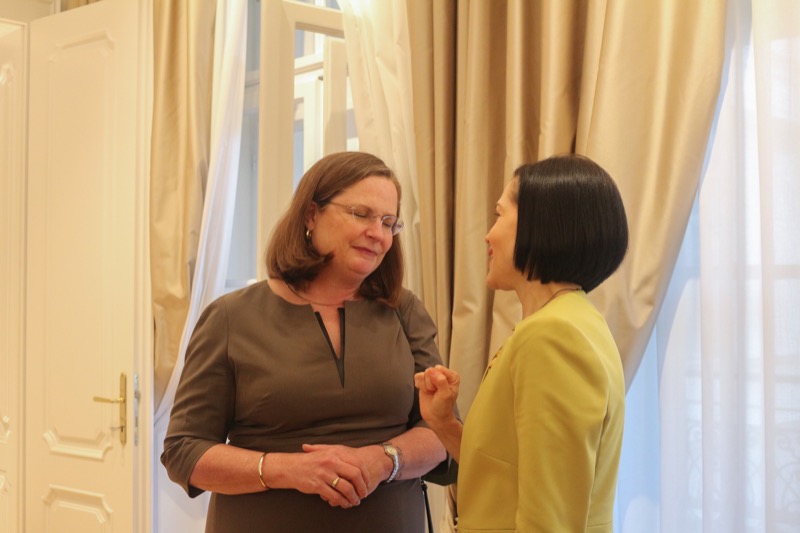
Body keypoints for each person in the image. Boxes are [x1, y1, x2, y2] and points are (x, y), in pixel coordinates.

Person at [162, 151, 447, 533]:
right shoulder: (231, 317)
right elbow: (183, 450)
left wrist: (384, 460)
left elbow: (442, 431)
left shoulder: (404, 311)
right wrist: (288, 469)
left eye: (388, 222)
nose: (378, 234)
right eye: (361, 214)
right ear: (311, 215)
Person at [415, 154, 629, 533]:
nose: (488, 235)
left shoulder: (551, 336)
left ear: (537, 225)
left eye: (499, 215)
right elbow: (510, 476)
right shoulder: (569, 321)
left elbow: (549, 519)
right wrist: (444, 424)